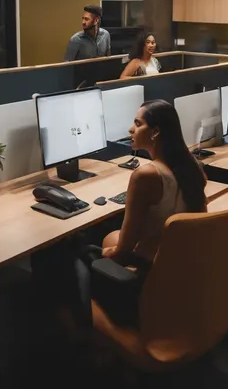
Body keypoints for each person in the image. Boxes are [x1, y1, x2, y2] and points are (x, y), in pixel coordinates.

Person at [76, 99, 207, 326]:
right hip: (177, 273)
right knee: (108, 234)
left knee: (78, 253)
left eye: (138, 123)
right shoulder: (192, 166)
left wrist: (105, 252)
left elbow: (124, 249)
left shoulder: (146, 175)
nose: (130, 129)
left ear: (155, 132)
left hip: (146, 279)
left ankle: (83, 332)